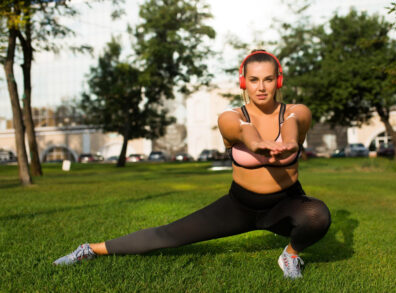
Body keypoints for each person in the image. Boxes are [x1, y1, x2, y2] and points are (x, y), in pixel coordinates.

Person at [53, 50, 331, 280]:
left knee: (317, 215)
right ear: (243, 82)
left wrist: (291, 145)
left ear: (278, 81)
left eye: (268, 79)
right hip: (240, 205)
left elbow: (292, 125)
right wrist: (257, 144)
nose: (261, 87)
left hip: (285, 204)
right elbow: (241, 130)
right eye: (254, 80)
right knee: (169, 235)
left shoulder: (296, 112)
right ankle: (90, 249)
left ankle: (290, 255)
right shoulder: (231, 117)